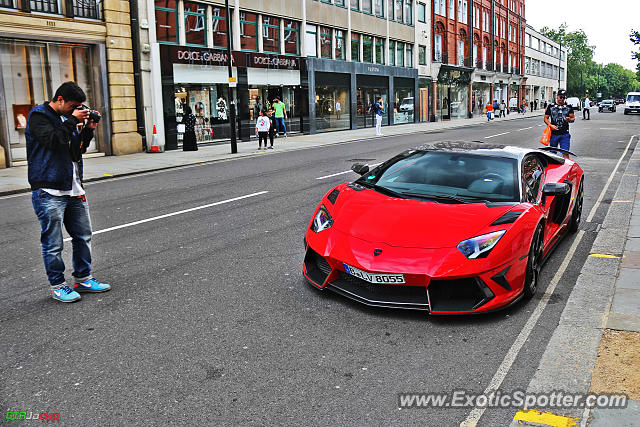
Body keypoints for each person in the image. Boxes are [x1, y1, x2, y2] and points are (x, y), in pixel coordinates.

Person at [26, 81, 110, 303]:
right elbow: (54, 142)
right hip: (48, 189)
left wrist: (88, 131)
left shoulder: (67, 119)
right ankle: (58, 285)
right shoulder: (38, 116)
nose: (77, 110)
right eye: (74, 106)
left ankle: (83, 278)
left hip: (73, 188)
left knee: (83, 236)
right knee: (53, 244)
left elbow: (76, 151)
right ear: (60, 100)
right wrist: (73, 120)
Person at [544, 89, 575, 159]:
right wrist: (550, 125)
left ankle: (567, 168)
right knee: (552, 154)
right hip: (553, 134)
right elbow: (546, 118)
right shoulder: (551, 106)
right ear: (557, 96)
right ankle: (553, 169)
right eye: (561, 97)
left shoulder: (568, 107)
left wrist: (569, 119)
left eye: (564, 97)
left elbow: (573, 118)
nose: (562, 99)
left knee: (565, 153)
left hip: (565, 134)